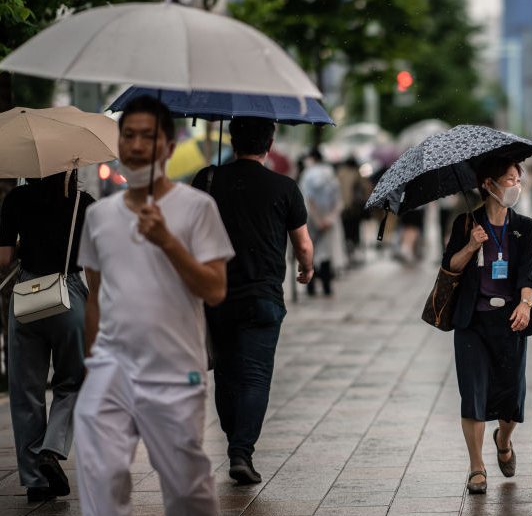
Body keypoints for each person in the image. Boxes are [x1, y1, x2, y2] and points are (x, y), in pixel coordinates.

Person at [74, 95, 234, 515]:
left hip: (174, 371)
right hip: (111, 368)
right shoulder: (100, 216)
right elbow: (96, 295)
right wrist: (93, 363)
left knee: (186, 491)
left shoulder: (198, 209)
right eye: (128, 135)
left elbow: (215, 289)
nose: (137, 145)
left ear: (168, 145)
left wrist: (167, 242)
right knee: (100, 475)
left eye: (148, 136)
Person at [190, 116, 314, 484]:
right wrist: (306, 269)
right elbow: (303, 244)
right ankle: (241, 450)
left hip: (216, 293)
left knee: (226, 372)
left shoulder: (207, 179)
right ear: (270, 141)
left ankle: (234, 439)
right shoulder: (284, 187)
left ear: (232, 138)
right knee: (256, 376)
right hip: (263, 296)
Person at [441, 157, 532, 494]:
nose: (515, 186)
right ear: (489, 184)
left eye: (518, 179)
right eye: (509, 179)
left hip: (511, 321)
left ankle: (503, 439)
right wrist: (472, 245)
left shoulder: (526, 228)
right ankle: (477, 467)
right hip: (472, 321)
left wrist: (526, 304)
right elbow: (450, 267)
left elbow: (527, 276)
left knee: (511, 399)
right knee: (472, 393)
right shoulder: (465, 224)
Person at [0, 171, 94, 503]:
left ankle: (35, 480)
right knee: (73, 380)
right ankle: (52, 449)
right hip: (67, 295)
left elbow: (4, 258)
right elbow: (91, 264)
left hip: (27, 295)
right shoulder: (84, 205)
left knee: (25, 389)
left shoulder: (15, 200)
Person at [297, 149, 340, 297]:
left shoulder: (307, 174)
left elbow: (308, 199)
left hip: (311, 217)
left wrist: (317, 220)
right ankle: (327, 287)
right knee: (326, 252)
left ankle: (311, 288)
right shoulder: (330, 173)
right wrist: (329, 218)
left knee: (311, 250)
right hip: (327, 216)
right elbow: (337, 199)